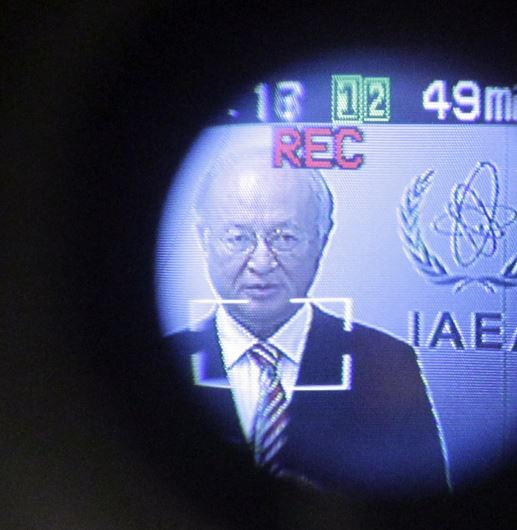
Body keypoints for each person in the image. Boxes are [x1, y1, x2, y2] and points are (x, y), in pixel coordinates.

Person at [166, 151, 448, 496]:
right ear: (204, 239)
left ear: (321, 239)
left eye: (284, 238)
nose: (261, 262)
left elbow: (427, 506)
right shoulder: (159, 362)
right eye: (238, 238)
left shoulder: (387, 365)